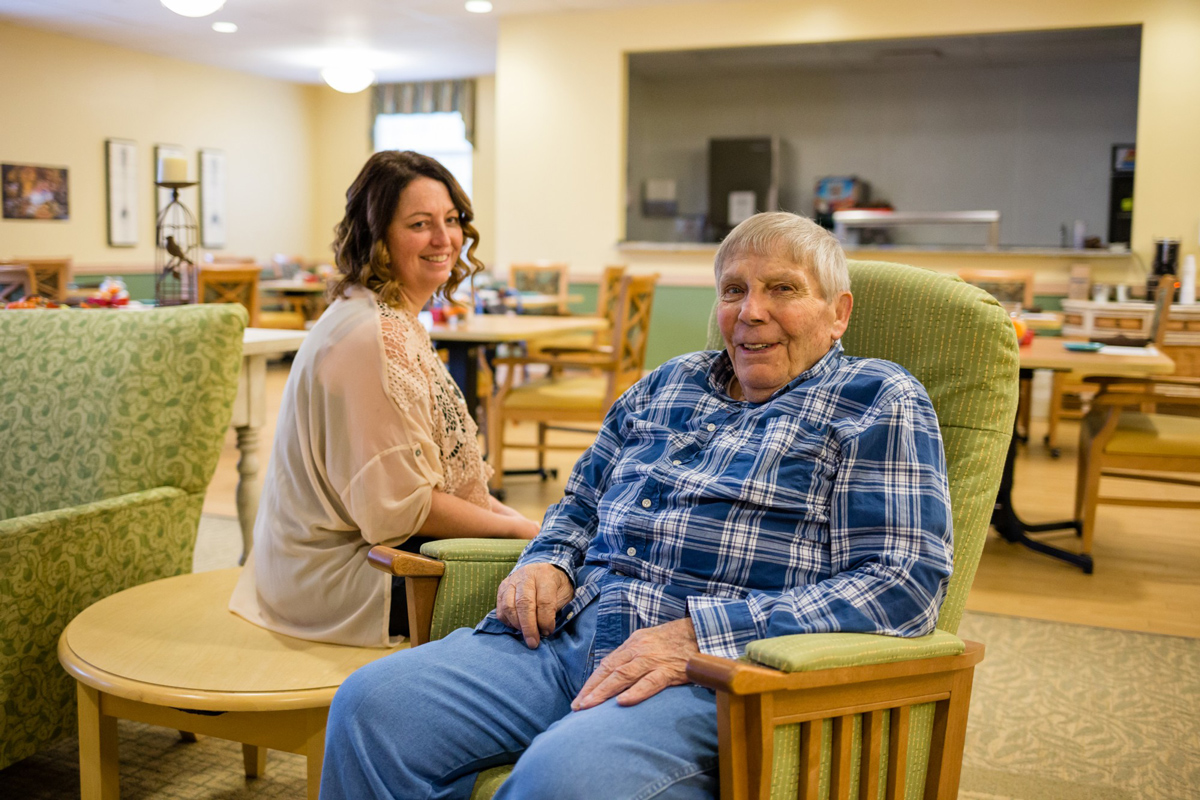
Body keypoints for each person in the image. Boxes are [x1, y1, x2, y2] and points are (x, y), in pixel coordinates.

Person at [319, 211, 954, 798]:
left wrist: (696, 638)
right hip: (568, 637)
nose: (751, 312)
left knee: (561, 780)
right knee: (372, 706)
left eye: (782, 290)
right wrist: (550, 562)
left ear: (838, 313)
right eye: (734, 290)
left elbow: (904, 584)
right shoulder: (666, 383)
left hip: (714, 675)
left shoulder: (876, 399)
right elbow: (580, 502)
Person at [230, 151, 539, 648]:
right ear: (377, 238)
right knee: (552, 591)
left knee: (556, 555)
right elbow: (401, 512)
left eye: (452, 220)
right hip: (343, 581)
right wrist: (525, 533)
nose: (444, 239)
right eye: (420, 224)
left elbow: (425, 495)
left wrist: (527, 525)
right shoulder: (373, 336)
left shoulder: (383, 316)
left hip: (355, 554)